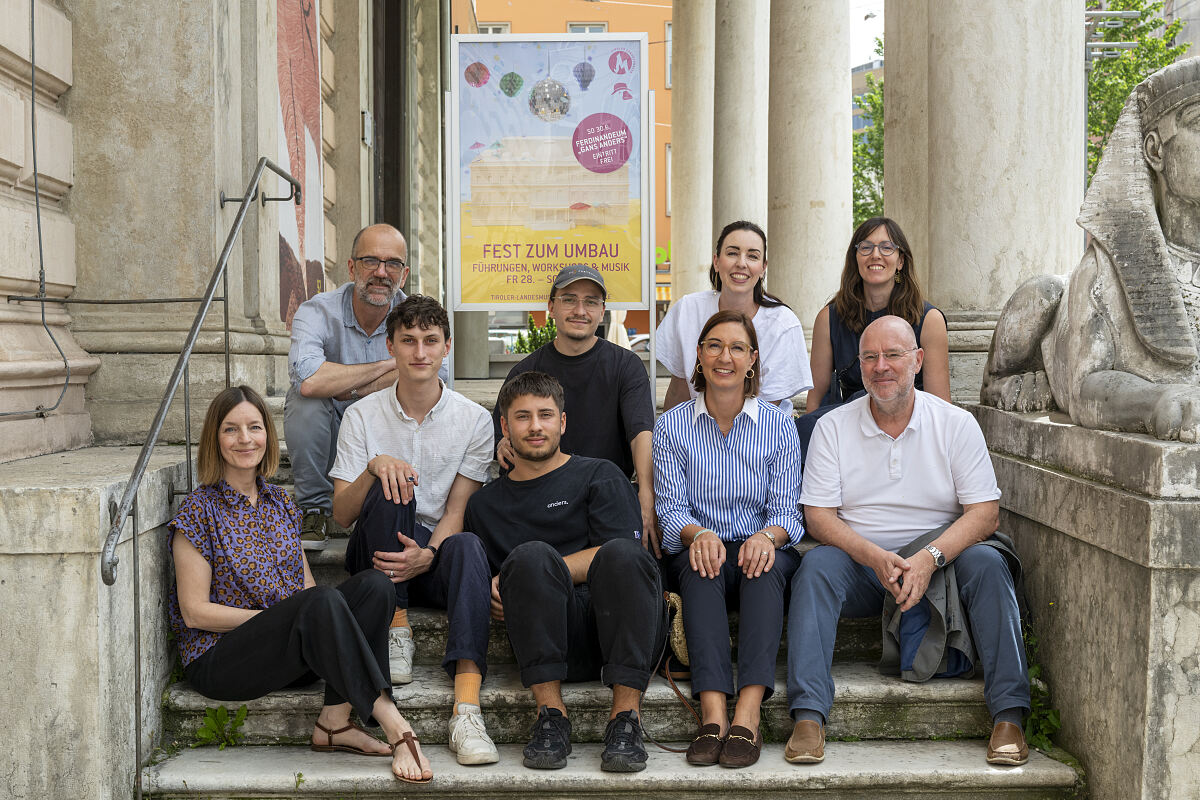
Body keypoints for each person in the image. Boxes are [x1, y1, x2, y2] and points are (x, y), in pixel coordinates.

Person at [785, 316, 1030, 767]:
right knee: (815, 569)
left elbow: (985, 512)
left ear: (917, 360)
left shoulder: (955, 424)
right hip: (862, 564)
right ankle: (808, 716)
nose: (882, 366)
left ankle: (1009, 715)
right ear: (858, 367)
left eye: (893, 355)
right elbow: (817, 517)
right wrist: (874, 556)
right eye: (870, 357)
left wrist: (929, 558)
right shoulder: (832, 427)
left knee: (989, 565)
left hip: (943, 564)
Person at [167, 385, 433, 783]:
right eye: (231, 429)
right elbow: (194, 612)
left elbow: (308, 592)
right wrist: (275, 621)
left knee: (375, 587)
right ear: (214, 438)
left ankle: (334, 722)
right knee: (317, 604)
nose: (244, 439)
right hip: (222, 660)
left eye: (254, 427)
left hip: (287, 651)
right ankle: (395, 724)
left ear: (267, 437)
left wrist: (295, 620)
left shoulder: (281, 503)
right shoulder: (199, 510)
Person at [982, 58, 1200, 441]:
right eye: (1198, 123)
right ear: (1154, 150)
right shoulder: (1105, 269)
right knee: (1043, 292)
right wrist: (1157, 399)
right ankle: (1001, 377)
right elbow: (1087, 389)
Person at [465, 371, 665, 773]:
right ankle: (552, 718)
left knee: (618, 557)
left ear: (563, 422)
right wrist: (504, 590)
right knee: (529, 558)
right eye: (522, 417)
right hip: (548, 643)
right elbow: (493, 583)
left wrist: (536, 575)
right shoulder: (484, 506)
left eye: (545, 415)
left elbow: (619, 554)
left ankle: (626, 719)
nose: (535, 426)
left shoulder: (600, 474)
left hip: (623, 633)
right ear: (504, 427)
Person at [328, 294, 498, 766]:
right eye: (408, 341)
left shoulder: (474, 420)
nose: (420, 352)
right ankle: (396, 625)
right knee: (389, 483)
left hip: (434, 552)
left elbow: (459, 508)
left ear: (447, 346)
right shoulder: (361, 415)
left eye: (430, 341)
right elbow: (342, 515)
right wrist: (373, 468)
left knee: (467, 545)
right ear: (391, 347)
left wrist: (430, 554)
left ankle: (467, 708)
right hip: (376, 556)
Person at [653, 310, 804, 768]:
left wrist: (767, 536)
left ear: (753, 360)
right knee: (703, 567)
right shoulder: (672, 425)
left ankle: (749, 712)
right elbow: (669, 508)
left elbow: (788, 513)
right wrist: (697, 534)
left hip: (759, 543)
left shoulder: (778, 424)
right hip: (701, 544)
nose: (725, 357)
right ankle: (713, 713)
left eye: (738, 348)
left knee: (763, 569)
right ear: (699, 356)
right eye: (714, 346)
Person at [285, 223, 446, 550]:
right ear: (351, 267)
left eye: (392, 264)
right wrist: (390, 365)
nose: (381, 272)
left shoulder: (419, 316)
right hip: (328, 437)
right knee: (304, 403)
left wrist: (347, 387)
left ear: (404, 275)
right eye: (370, 261)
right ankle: (315, 509)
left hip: (386, 441)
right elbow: (310, 382)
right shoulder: (316, 311)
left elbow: (435, 376)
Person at [493, 264, 659, 554]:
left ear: (602, 310)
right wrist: (500, 444)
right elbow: (504, 439)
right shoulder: (525, 371)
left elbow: (640, 431)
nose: (579, 310)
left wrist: (646, 493)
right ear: (551, 307)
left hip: (607, 500)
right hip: (542, 504)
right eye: (569, 299)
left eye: (591, 301)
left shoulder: (625, 366)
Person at [797, 217, 950, 461]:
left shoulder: (929, 319)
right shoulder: (829, 318)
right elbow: (817, 397)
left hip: (909, 429)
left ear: (901, 261)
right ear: (855, 258)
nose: (875, 255)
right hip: (851, 429)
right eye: (865, 247)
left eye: (886, 247)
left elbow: (940, 405)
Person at [657, 220, 812, 414]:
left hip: (760, 438)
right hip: (694, 434)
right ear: (716, 261)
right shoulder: (687, 310)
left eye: (752, 256)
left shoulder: (783, 324)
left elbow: (770, 410)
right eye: (732, 253)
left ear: (763, 268)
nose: (741, 263)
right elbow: (678, 390)